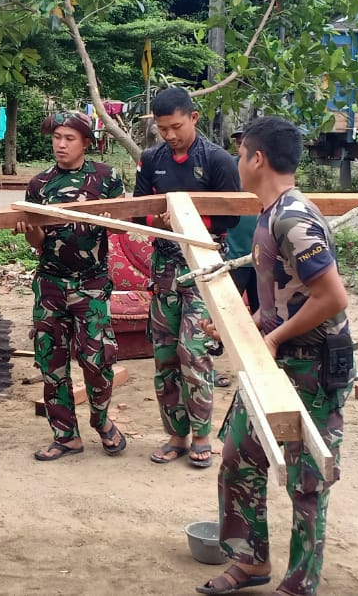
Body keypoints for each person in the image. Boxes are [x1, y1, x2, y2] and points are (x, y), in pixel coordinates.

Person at [197, 116, 353, 596]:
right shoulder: (269, 212)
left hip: (312, 361)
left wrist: (273, 337)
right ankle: (250, 561)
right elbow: (282, 295)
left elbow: (332, 298)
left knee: (307, 478)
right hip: (277, 354)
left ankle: (301, 580)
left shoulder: (293, 218)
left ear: (257, 158)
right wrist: (238, 327)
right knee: (239, 455)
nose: (236, 161)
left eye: (240, 153)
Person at [135, 88, 242, 468]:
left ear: (194, 118)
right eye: (162, 129)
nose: (169, 135)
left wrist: (184, 217)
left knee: (193, 353)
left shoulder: (218, 161)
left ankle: (202, 435)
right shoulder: (152, 160)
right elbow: (137, 212)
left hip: (205, 268)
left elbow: (230, 218)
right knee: (164, 355)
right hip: (164, 268)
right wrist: (158, 221)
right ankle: (176, 434)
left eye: (175, 127)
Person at [17, 112, 128, 461]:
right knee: (52, 362)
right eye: (57, 138)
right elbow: (37, 242)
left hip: (91, 284)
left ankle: (102, 420)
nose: (61, 145)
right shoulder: (39, 184)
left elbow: (123, 227)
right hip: (50, 284)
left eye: (69, 138)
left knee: (97, 360)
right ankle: (65, 435)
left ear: (85, 142)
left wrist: (112, 217)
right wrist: (30, 228)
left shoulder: (106, 178)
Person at [226, 129, 259, 315]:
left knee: (264, 313)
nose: (241, 146)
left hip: (262, 258)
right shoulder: (227, 168)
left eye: (245, 142)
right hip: (234, 256)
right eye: (238, 143)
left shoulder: (268, 171)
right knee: (228, 313)